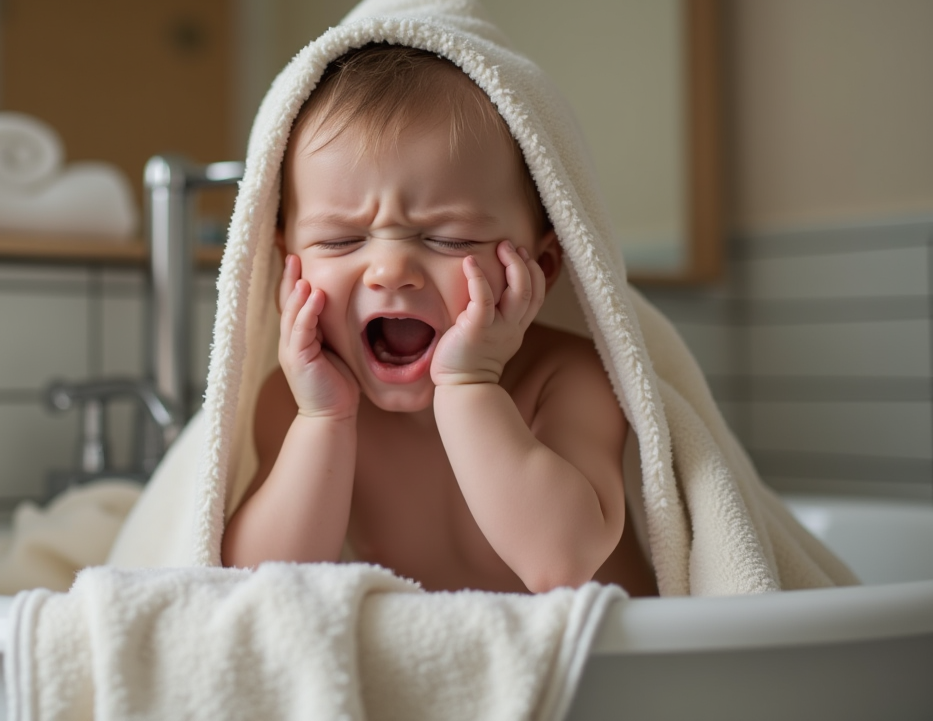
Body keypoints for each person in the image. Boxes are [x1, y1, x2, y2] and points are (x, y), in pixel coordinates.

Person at [221, 44, 658, 597]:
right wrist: (324, 420)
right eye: (340, 240)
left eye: (449, 239)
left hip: (611, 667)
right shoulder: (295, 404)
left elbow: (562, 562)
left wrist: (469, 385)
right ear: (286, 270)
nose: (390, 270)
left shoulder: (566, 379)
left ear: (538, 268)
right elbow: (252, 588)